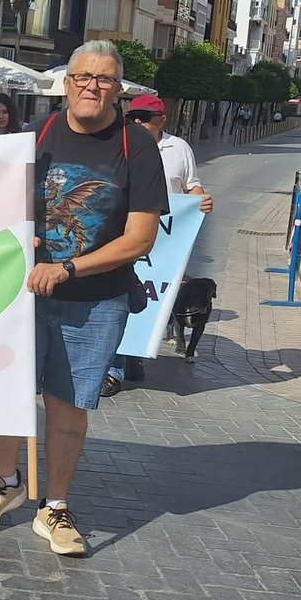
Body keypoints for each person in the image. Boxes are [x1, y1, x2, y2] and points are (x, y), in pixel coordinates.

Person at [0, 41, 166, 557]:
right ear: (66, 84)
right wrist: (18, 238)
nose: (91, 87)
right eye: (82, 77)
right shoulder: (39, 135)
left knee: (68, 406)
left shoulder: (135, 146)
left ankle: (54, 507)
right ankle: (4, 484)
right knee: (7, 393)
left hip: (94, 301)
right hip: (22, 294)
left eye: (104, 79)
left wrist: (69, 266)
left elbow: (140, 237)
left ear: (118, 90)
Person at [104, 94, 213, 395]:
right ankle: (114, 368)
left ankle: (134, 355)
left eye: (144, 118)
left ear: (161, 120)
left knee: (150, 300)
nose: (137, 122)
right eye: (133, 117)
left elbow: (192, 186)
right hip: (124, 236)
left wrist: (201, 203)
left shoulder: (179, 149)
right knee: (120, 295)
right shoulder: (119, 144)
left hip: (164, 242)